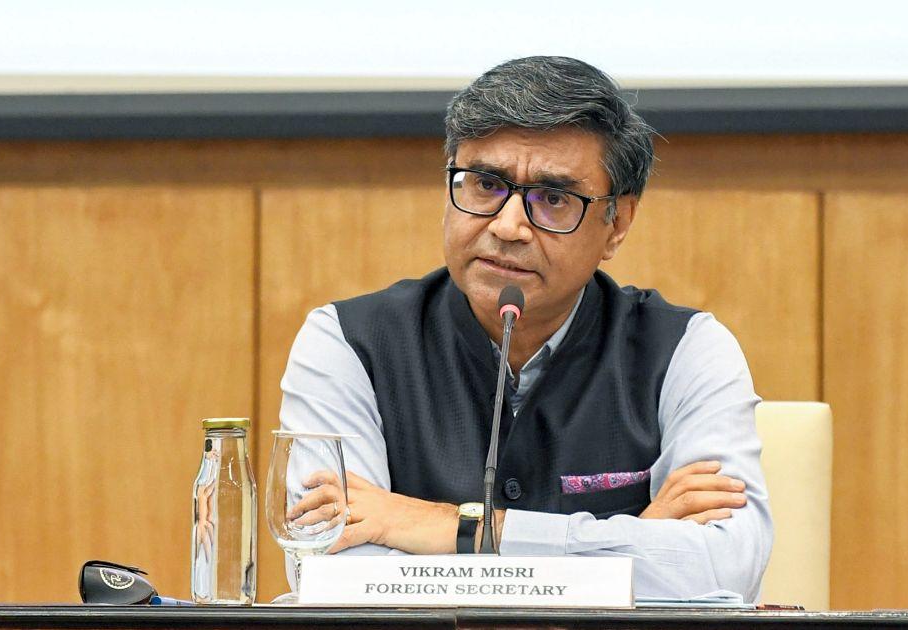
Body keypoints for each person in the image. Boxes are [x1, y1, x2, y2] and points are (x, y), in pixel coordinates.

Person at [278, 56, 772, 601]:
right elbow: (330, 573)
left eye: (553, 198)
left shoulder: (686, 350)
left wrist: (449, 527)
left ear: (618, 224)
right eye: (485, 184)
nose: (509, 225)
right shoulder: (347, 343)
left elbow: (727, 567)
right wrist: (631, 544)